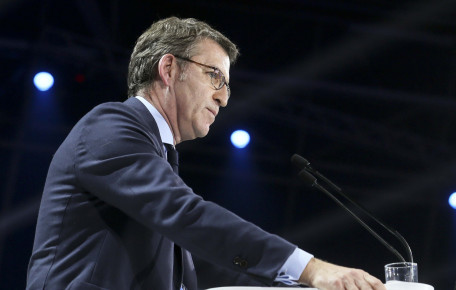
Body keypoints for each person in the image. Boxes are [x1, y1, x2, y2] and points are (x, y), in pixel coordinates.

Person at [26, 17, 386, 290]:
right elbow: (187, 215)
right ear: (168, 69)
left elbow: (208, 260)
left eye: (227, 84)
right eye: (214, 76)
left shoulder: (159, 158)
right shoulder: (109, 126)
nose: (224, 97)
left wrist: (303, 284)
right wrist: (312, 268)